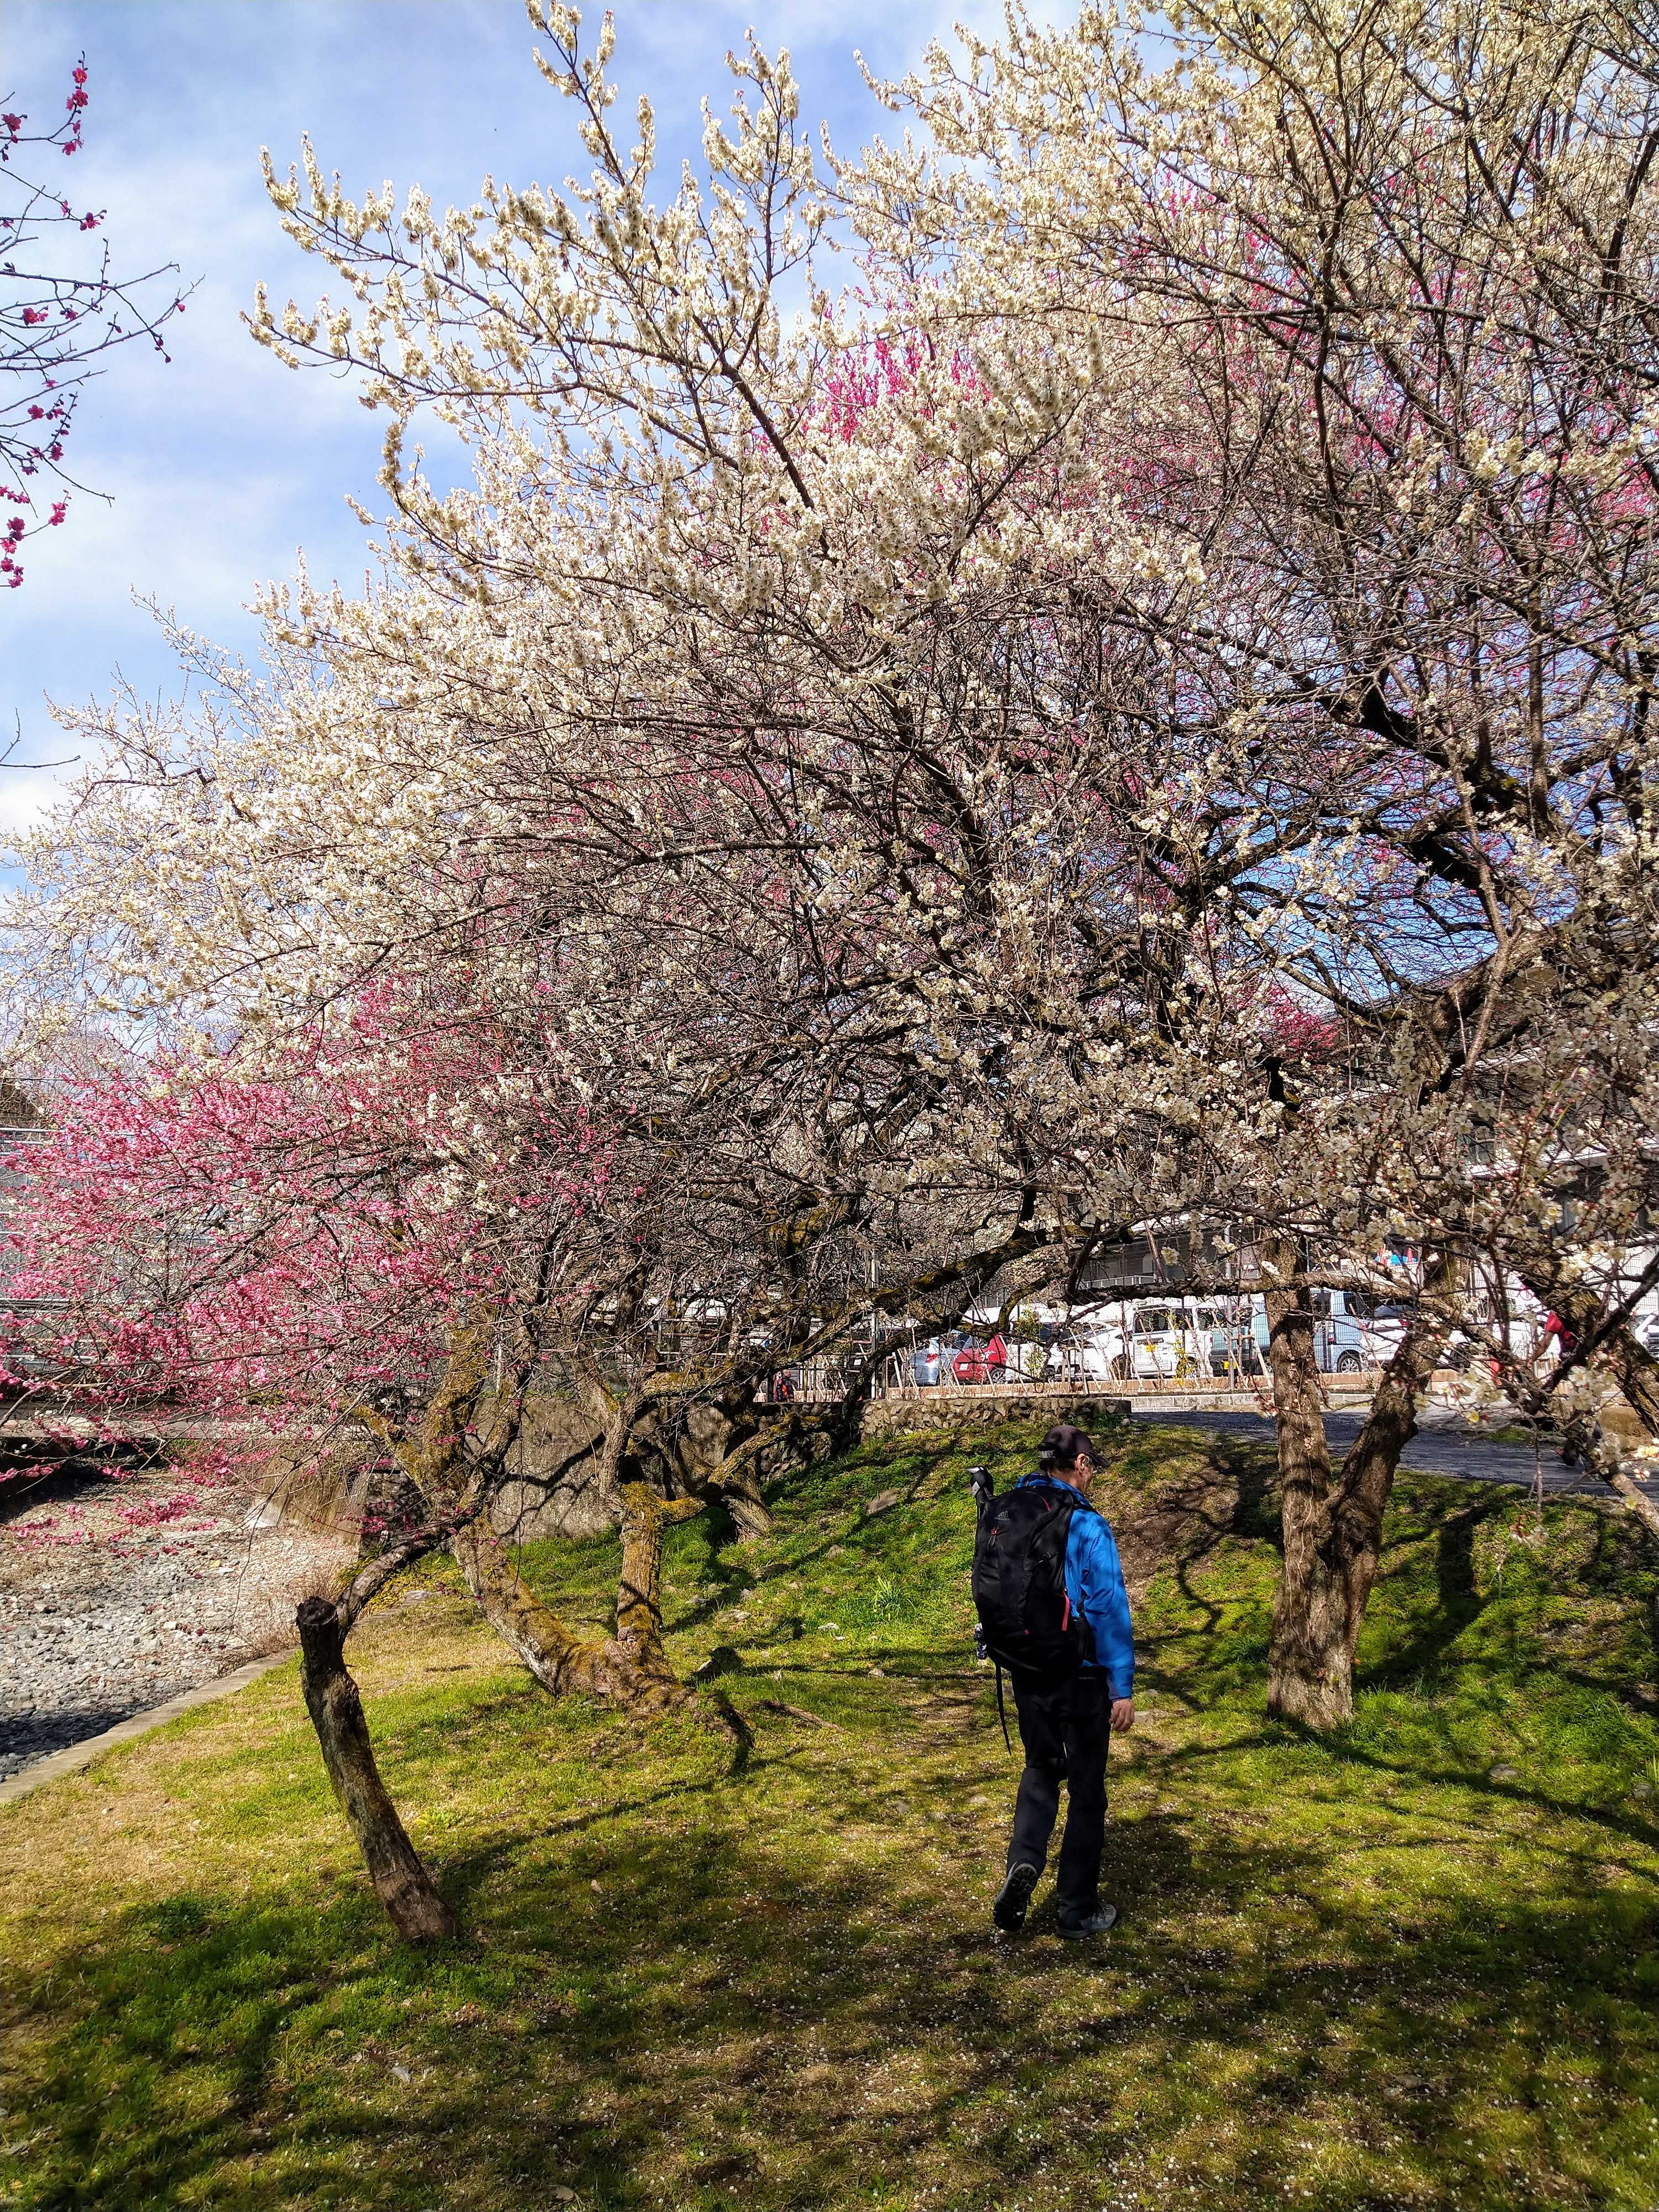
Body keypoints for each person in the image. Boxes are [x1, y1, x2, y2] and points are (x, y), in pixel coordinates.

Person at [992, 1423, 1135, 1940]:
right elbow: (1107, 1608)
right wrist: (1121, 1687)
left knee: (1040, 1769)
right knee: (1088, 1791)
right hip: (1081, 1675)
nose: (1092, 1474)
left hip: (1027, 1668)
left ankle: (1023, 1861)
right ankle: (1076, 1909)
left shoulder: (1010, 1512)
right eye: (1091, 1465)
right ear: (1079, 1466)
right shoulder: (1087, 1525)